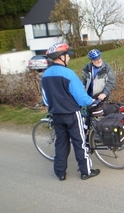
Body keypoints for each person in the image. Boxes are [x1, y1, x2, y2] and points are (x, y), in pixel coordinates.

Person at [41, 42, 100, 181]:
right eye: (67, 55)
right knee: (80, 142)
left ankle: (60, 173)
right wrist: (92, 101)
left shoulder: (45, 75)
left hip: (56, 114)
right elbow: (81, 98)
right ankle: (86, 171)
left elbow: (45, 99)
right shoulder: (68, 74)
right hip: (72, 114)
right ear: (61, 57)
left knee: (61, 143)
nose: (69, 58)